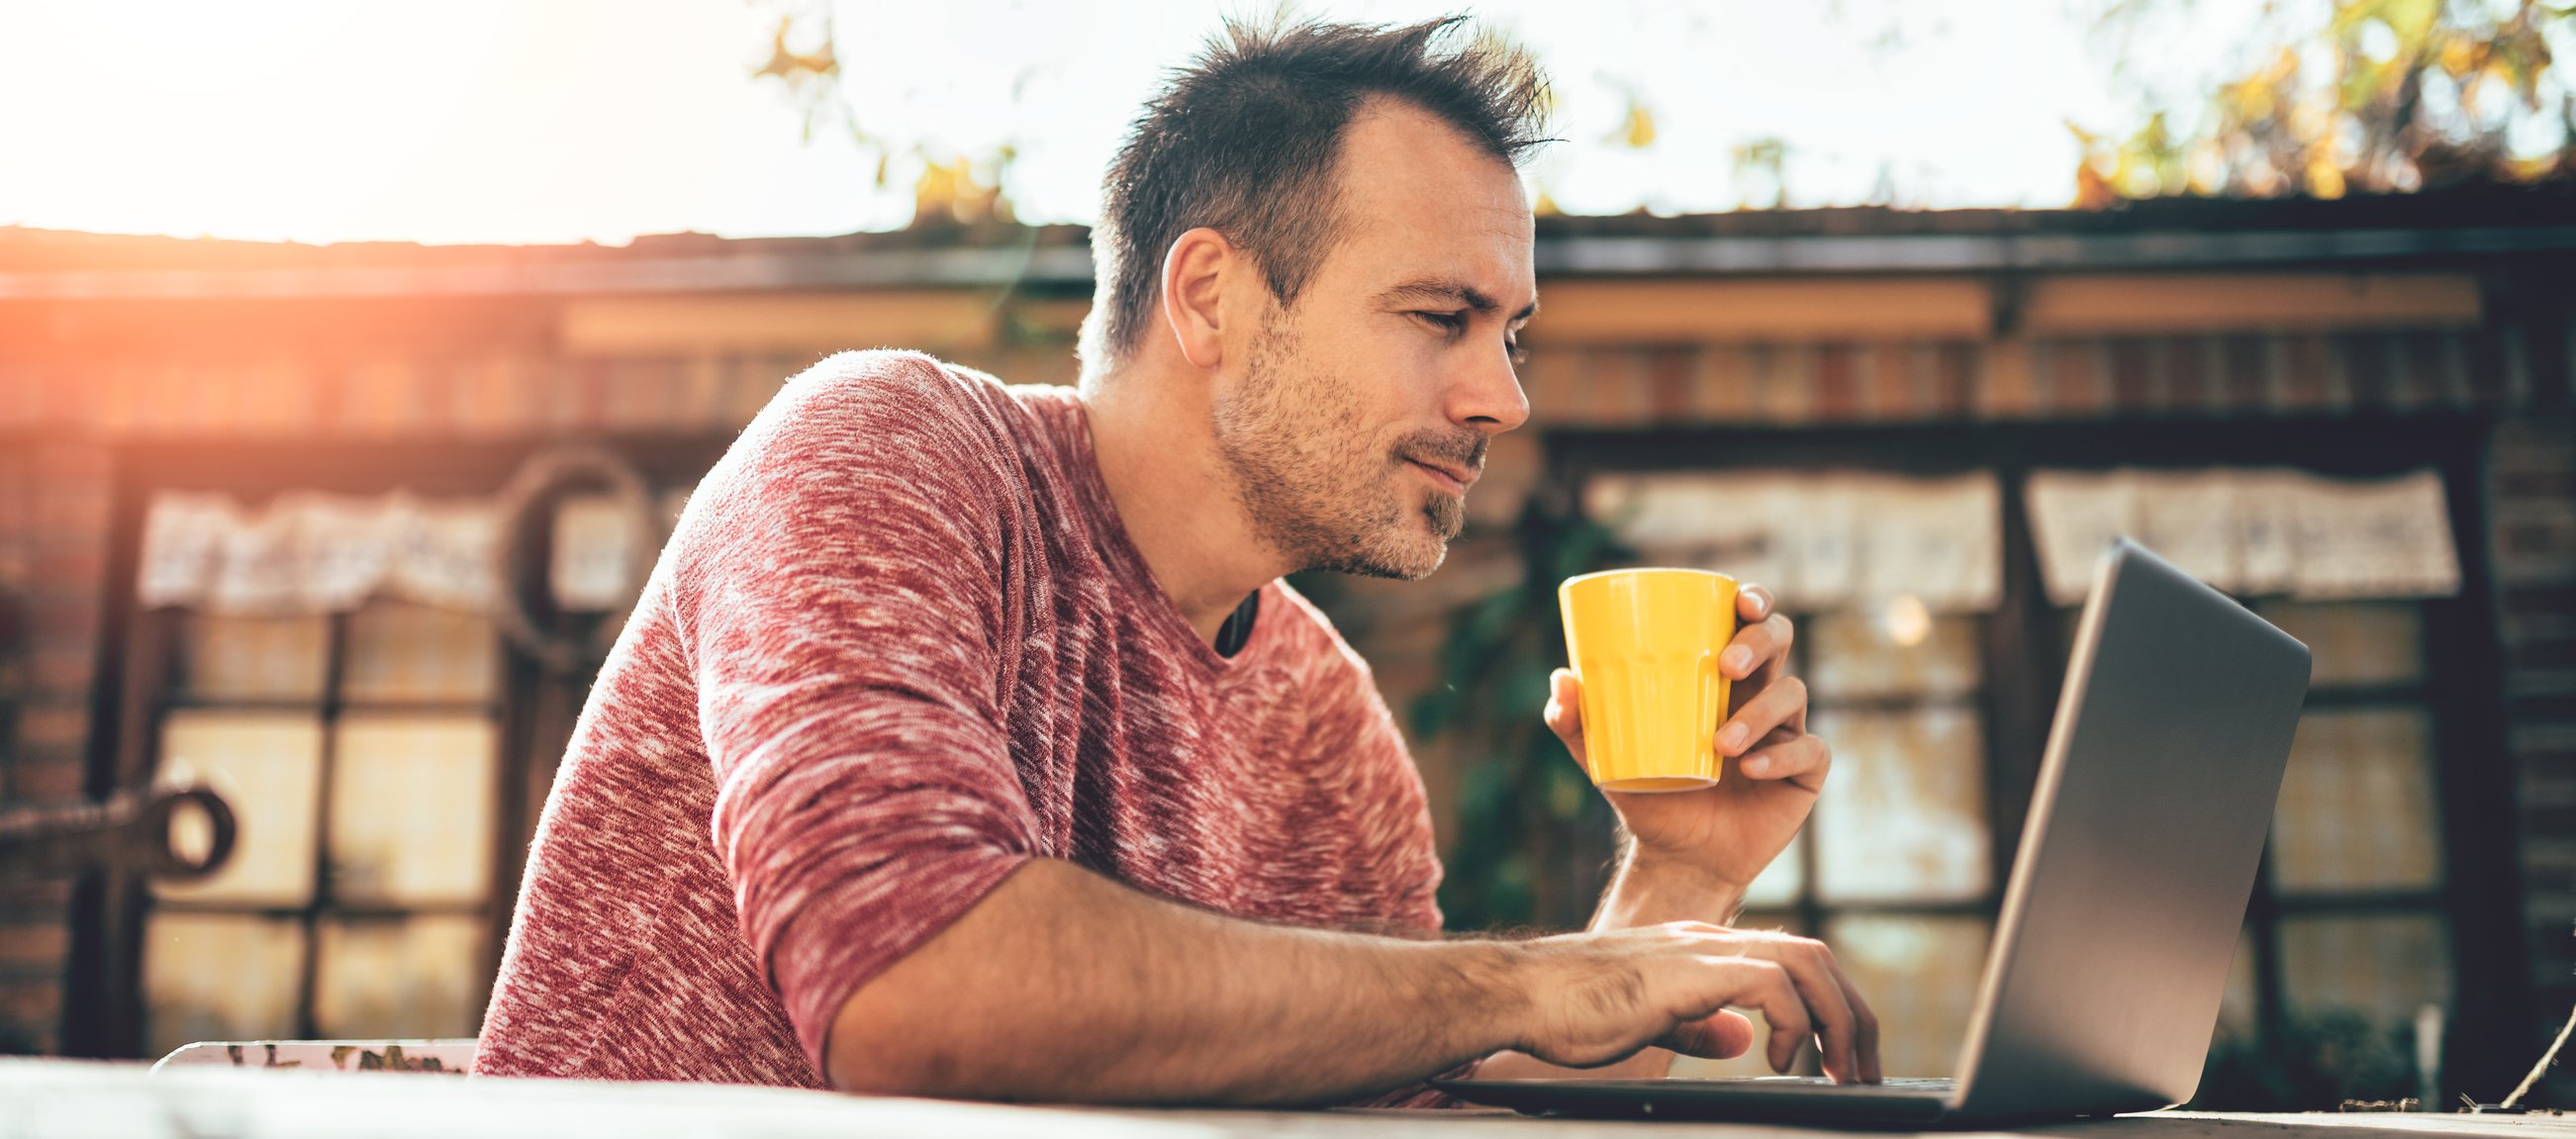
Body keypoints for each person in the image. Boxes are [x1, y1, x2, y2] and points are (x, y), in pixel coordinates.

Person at [474, 16, 1877, 1105]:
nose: (1500, 398)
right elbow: (915, 991)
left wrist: (1675, 881)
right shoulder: (887, 453)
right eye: (1441, 315)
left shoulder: (1323, 722)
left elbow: (1409, 1100)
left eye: (1509, 335)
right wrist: (1528, 977)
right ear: (1210, 296)